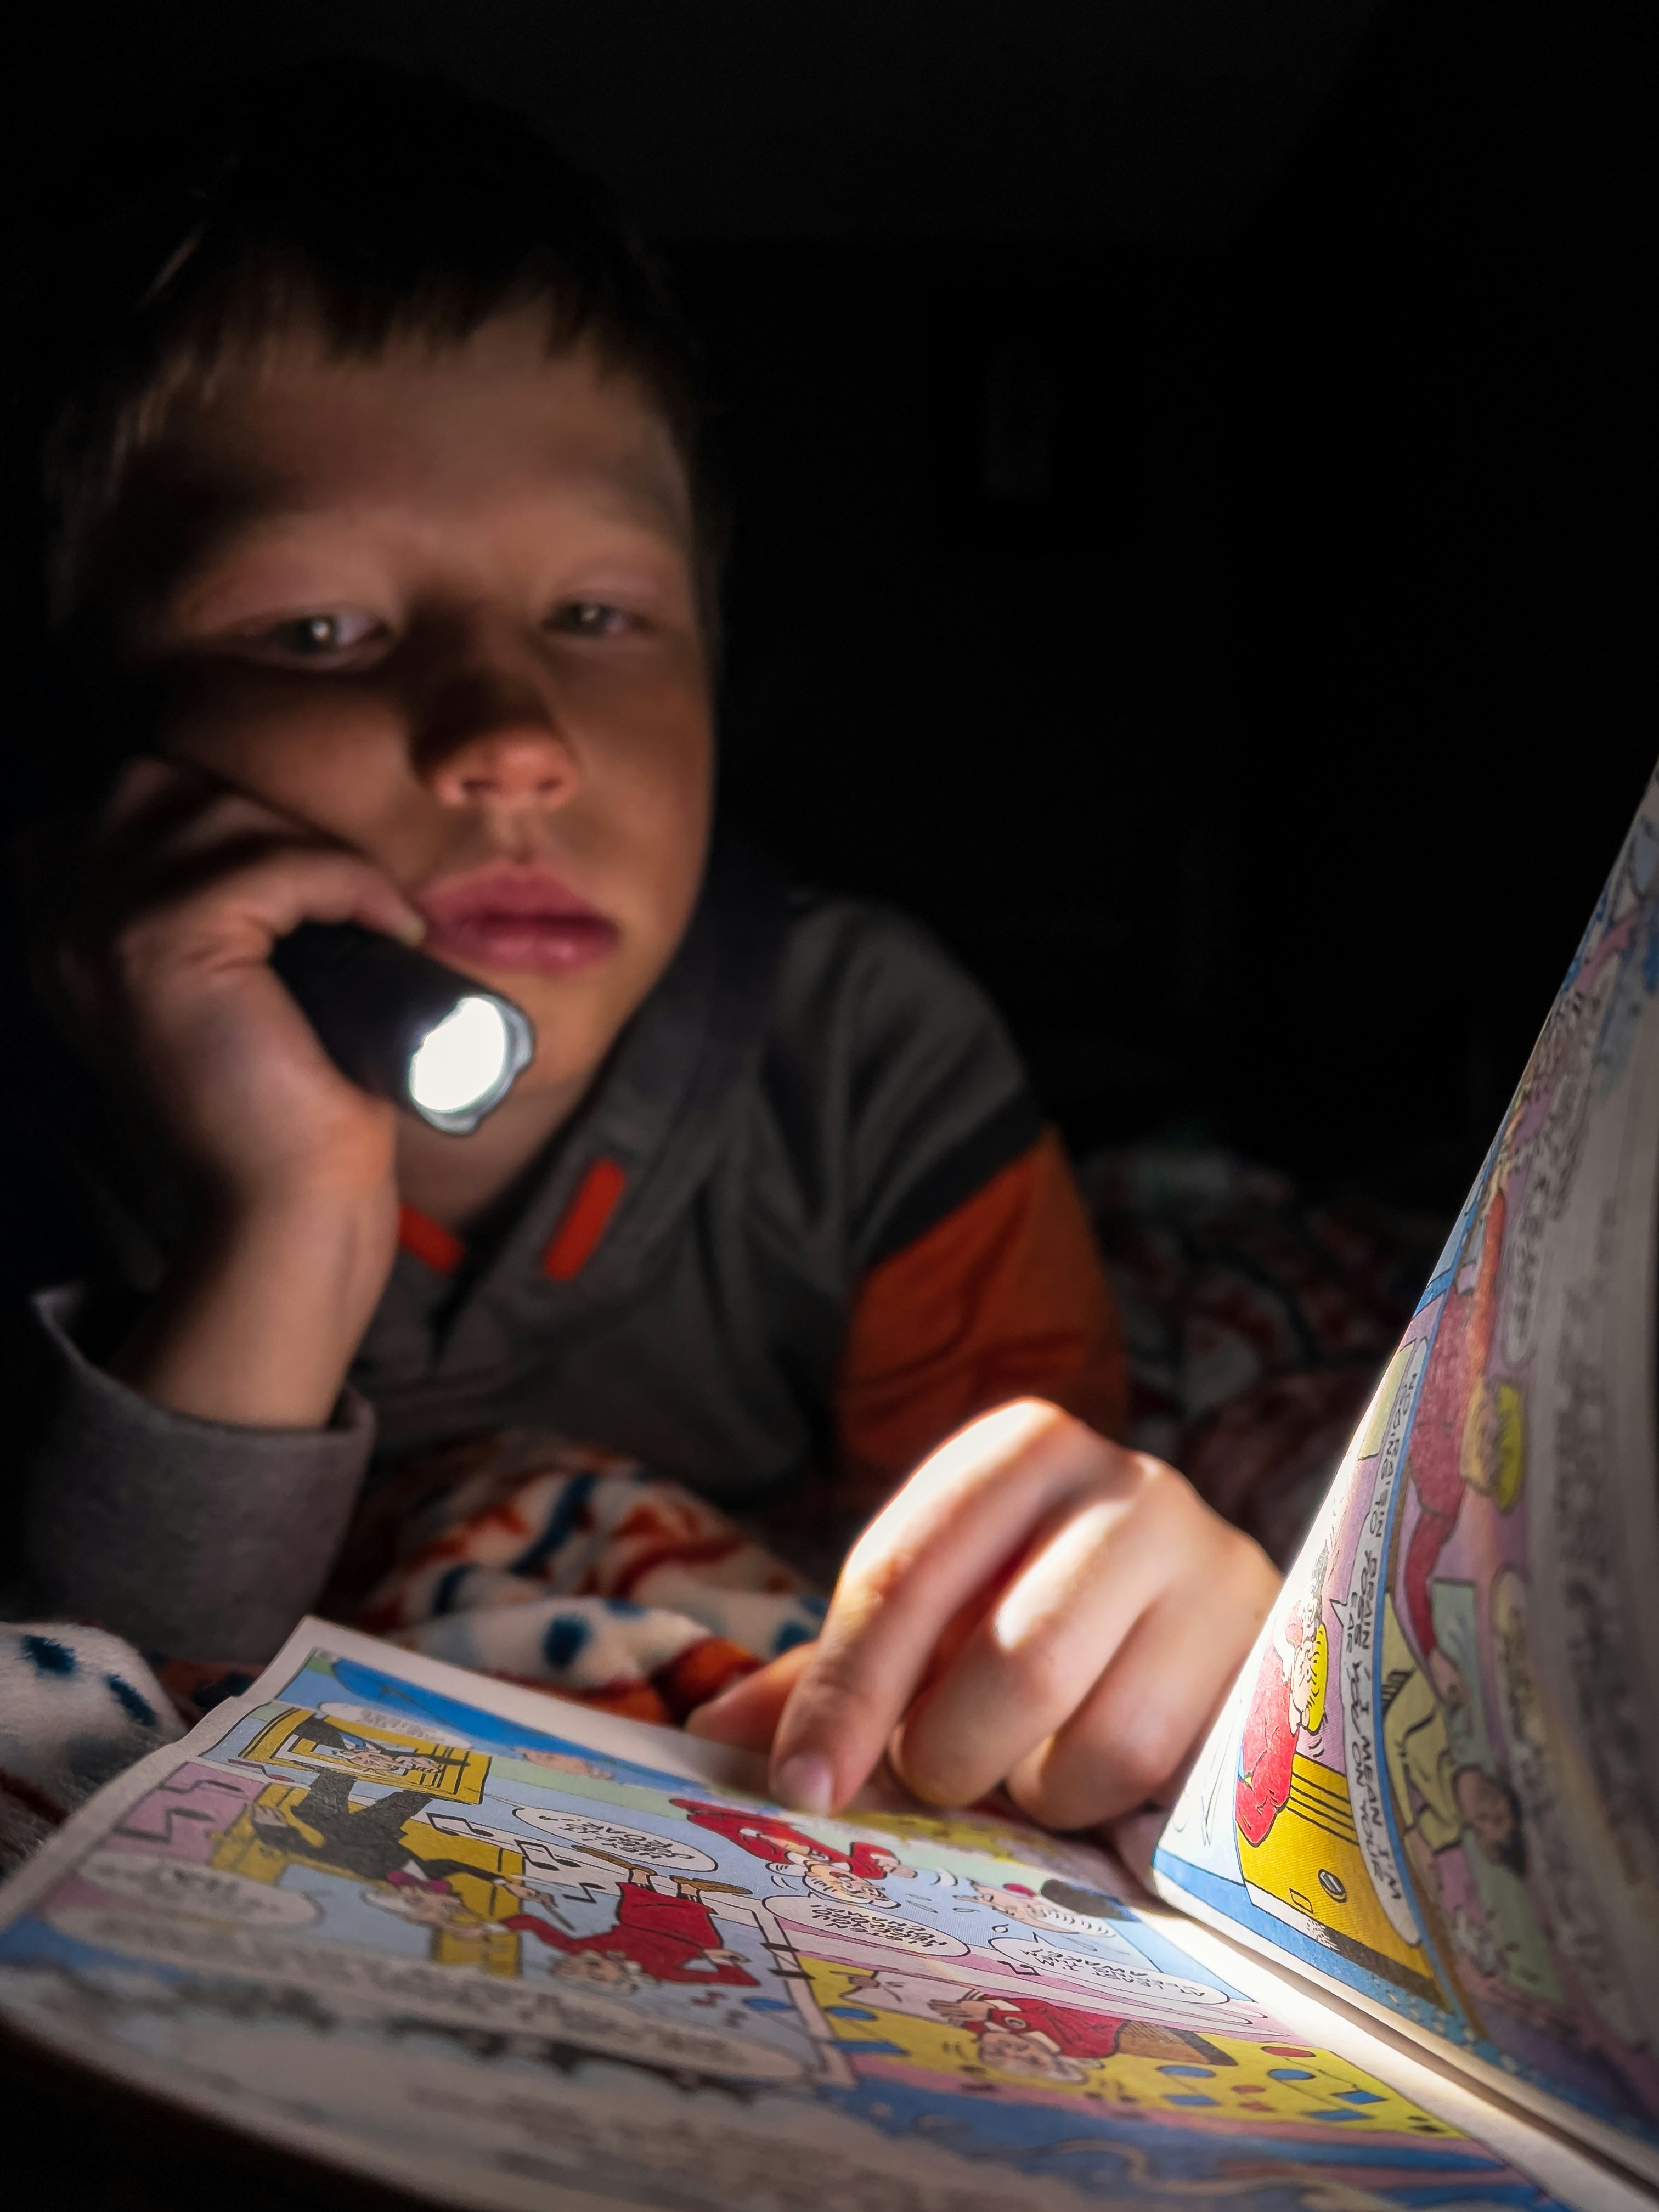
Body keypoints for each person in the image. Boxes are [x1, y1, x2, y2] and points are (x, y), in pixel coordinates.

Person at [0, 63, 1278, 1838]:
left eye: (597, 615)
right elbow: (85, 1718)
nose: (511, 733)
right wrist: (285, 1216)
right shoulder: (53, 1082)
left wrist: (1119, 1606)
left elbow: (1016, 1643)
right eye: (315, 627)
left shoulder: (869, 1055)